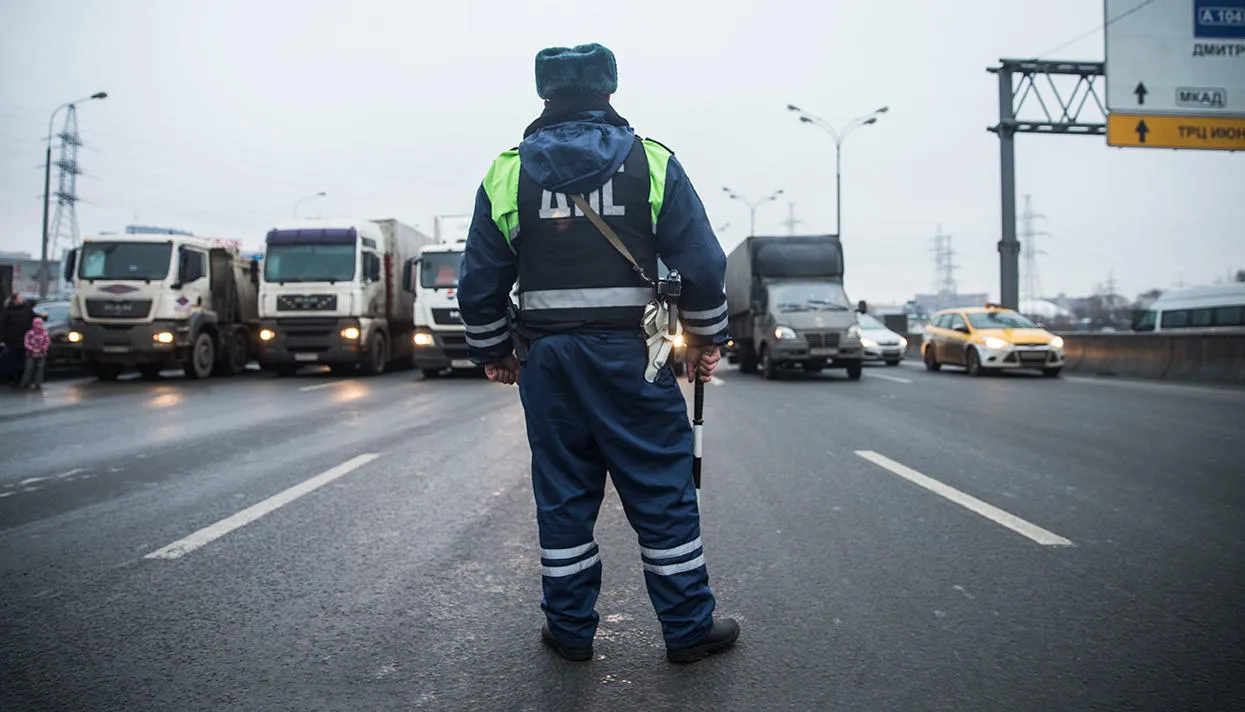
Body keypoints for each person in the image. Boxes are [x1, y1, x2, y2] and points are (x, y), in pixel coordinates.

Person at [457, 42, 738, 664]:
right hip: (635, 357)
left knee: (563, 495)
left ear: (544, 94)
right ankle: (688, 629)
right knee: (661, 490)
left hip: (549, 362)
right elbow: (702, 264)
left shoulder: (507, 172)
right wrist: (706, 340)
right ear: (609, 90)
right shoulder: (651, 162)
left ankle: (570, 631)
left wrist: (494, 350)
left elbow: (478, 281)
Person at [0, 293, 37, 387]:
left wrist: (43, 317)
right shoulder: (7, 311)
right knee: (13, 360)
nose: (21, 300)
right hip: (12, 340)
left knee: (24, 361)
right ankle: (14, 380)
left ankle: (23, 380)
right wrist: (2, 340)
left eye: (21, 298)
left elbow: (34, 317)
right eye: (19, 298)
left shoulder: (26, 309)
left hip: (25, 339)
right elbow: (2, 326)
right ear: (14, 300)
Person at [21, 317, 50, 390]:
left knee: (40, 368)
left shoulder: (44, 333)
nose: (40, 325)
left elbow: (47, 342)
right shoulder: (30, 333)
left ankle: (38, 383)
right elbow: (26, 342)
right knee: (29, 368)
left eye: (41, 324)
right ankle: (25, 382)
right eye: (38, 324)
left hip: (41, 354)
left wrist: (42, 349)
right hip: (31, 353)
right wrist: (32, 349)